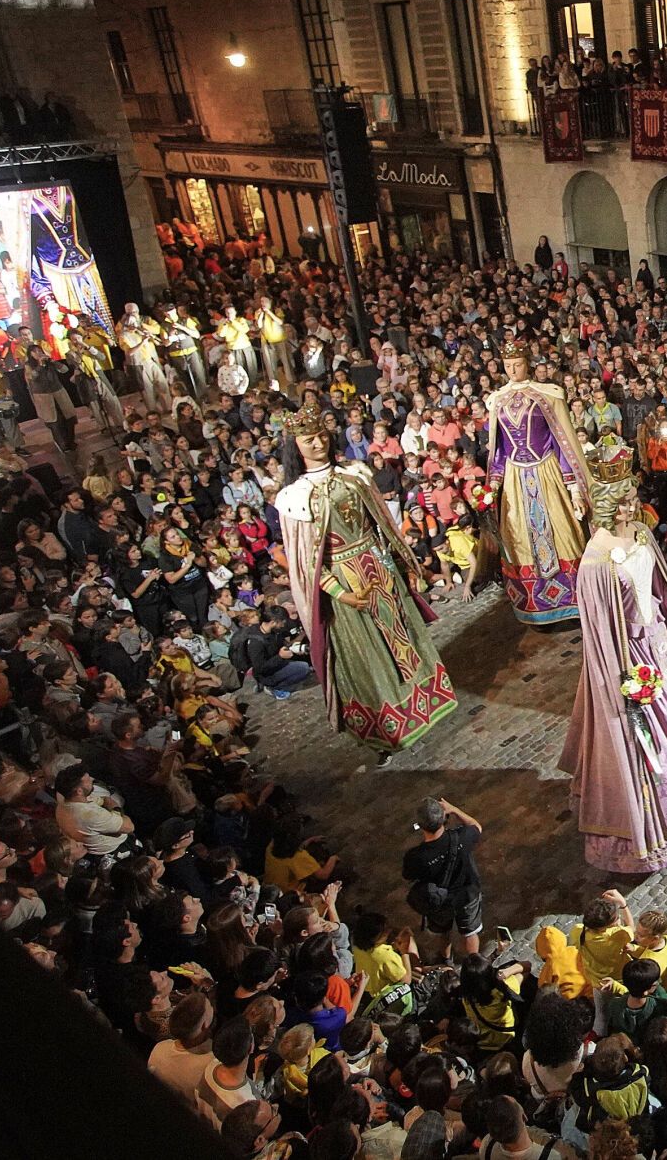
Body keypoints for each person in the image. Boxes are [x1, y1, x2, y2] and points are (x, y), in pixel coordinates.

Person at [563, 440, 667, 872]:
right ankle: (656, 829)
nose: (630, 509)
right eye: (622, 503)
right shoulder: (596, 564)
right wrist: (628, 681)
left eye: (632, 500)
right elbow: (600, 635)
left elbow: (658, 590)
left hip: (661, 647)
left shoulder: (640, 534)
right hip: (632, 661)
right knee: (655, 744)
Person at [274, 398, 460, 761]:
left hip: (378, 564)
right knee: (369, 653)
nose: (316, 442)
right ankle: (387, 722)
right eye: (307, 438)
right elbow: (305, 564)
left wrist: (404, 563)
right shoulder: (294, 497)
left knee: (402, 637)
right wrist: (340, 594)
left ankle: (423, 703)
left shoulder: (354, 473)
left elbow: (382, 524)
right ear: (294, 446)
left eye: (319, 434)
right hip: (345, 581)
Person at [487, 340, 590, 625]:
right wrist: (493, 484)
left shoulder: (547, 395)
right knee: (520, 538)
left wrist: (572, 487)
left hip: (546, 472)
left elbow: (562, 443)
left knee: (562, 533)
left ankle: (571, 601)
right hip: (514, 477)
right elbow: (498, 449)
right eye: (507, 366)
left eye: (517, 364)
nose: (512, 370)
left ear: (527, 364)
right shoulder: (497, 400)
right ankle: (534, 604)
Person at [402, 795, 485, 956]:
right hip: (468, 895)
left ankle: (446, 960)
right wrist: (454, 809)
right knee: (470, 932)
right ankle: (474, 963)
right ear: (444, 818)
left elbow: (408, 876)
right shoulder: (462, 837)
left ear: (420, 825)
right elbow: (476, 826)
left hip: (439, 901)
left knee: (443, 932)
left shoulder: (415, 856)